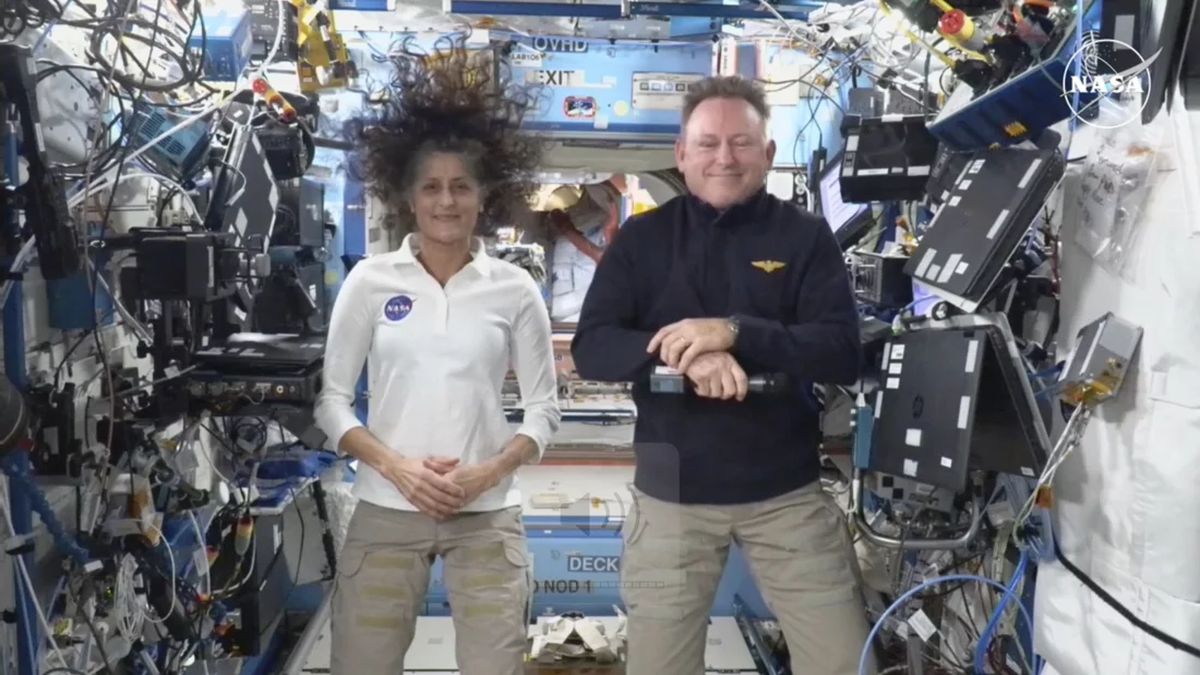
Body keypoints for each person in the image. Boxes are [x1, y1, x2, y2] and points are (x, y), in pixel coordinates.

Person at [570, 76, 873, 675]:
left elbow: (842, 351)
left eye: (740, 143)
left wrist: (735, 331)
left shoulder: (805, 238)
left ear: (767, 154)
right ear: (682, 155)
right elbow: (594, 348)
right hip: (671, 492)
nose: (724, 158)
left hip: (785, 492)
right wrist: (686, 353)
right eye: (707, 144)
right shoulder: (642, 239)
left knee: (842, 661)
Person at [313, 44, 561, 675]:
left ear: (484, 196)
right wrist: (398, 467)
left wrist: (487, 473)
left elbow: (543, 413)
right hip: (387, 507)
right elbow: (332, 403)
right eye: (431, 187)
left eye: (460, 186)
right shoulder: (370, 282)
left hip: (487, 515)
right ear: (408, 196)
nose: (446, 201)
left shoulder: (513, 287)